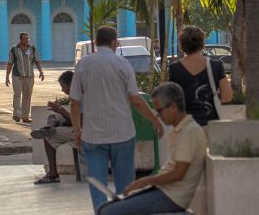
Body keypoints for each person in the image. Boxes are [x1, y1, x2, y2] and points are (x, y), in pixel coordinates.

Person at [70, 26, 163, 213]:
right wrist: (154, 119)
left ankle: (101, 211)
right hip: (122, 134)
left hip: (93, 136)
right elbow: (135, 100)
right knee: (125, 185)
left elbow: (74, 102)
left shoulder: (83, 65)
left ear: (96, 42)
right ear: (114, 42)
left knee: (97, 184)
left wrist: (77, 130)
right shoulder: (123, 65)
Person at [97, 82, 207, 215]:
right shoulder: (181, 130)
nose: (158, 116)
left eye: (159, 111)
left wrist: (145, 181)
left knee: (107, 211)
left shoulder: (190, 132)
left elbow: (178, 174)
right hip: (163, 191)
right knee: (105, 208)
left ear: (173, 107)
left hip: (172, 197)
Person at [169, 25, 232, 127]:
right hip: (211, 125)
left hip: (186, 126)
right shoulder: (215, 66)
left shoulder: (174, 69)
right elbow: (227, 96)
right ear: (202, 44)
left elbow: (172, 100)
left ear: (182, 45)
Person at [31, 70, 76, 184]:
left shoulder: (79, 97)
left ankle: (53, 174)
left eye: (63, 86)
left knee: (49, 138)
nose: (62, 90)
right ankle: (49, 128)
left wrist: (60, 109)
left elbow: (78, 122)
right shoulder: (75, 96)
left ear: (71, 84)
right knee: (53, 116)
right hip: (76, 125)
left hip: (81, 130)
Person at [5, 32, 44, 123]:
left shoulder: (32, 48)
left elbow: (37, 61)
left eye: (28, 39)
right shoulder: (14, 49)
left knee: (27, 96)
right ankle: (16, 114)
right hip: (17, 76)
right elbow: (10, 63)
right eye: (25, 39)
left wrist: (41, 71)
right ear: (21, 39)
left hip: (29, 76)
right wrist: (7, 76)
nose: (27, 40)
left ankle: (25, 116)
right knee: (17, 95)